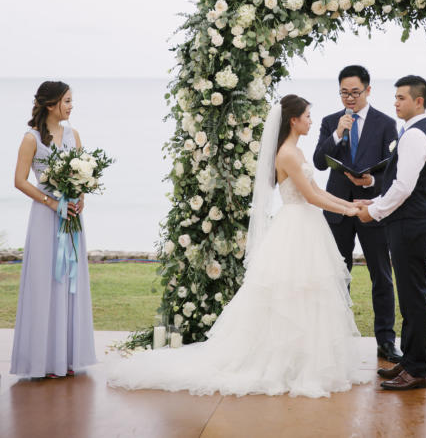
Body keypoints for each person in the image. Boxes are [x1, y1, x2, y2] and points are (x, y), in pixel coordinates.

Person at [107, 95, 371, 398]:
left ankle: (304, 361)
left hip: (306, 225)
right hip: (296, 226)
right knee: (292, 293)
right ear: (294, 120)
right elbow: (310, 198)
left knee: (308, 294)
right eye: (308, 116)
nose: (312, 121)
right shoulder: (286, 154)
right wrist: (349, 211)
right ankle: (286, 364)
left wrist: (350, 203)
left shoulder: (296, 151)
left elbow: (316, 190)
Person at [312, 65, 399, 364]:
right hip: (336, 210)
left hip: (370, 209)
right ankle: (336, 337)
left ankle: (386, 341)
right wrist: (338, 133)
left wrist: (372, 182)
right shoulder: (329, 122)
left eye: (355, 92)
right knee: (337, 274)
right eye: (344, 93)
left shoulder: (386, 124)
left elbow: (394, 172)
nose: (349, 98)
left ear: (368, 90)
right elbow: (319, 163)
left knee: (381, 276)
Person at [10, 81, 97, 378]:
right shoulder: (31, 139)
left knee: (69, 281)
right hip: (46, 219)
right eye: (67, 101)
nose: (72, 106)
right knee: (46, 282)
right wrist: (51, 202)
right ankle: (45, 360)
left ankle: (69, 356)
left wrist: (80, 199)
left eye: (72, 100)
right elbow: (20, 180)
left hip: (71, 218)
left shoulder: (75, 135)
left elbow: (85, 175)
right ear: (51, 105)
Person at [357, 75, 426, 391]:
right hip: (408, 223)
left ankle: (416, 370)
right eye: (395, 97)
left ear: (418, 101)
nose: (395, 102)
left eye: (401, 97)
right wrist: (374, 198)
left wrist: (374, 211)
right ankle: (409, 361)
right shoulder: (411, 132)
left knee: (414, 298)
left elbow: (404, 187)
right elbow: (398, 182)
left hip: (410, 225)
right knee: (409, 296)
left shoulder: (415, 136)